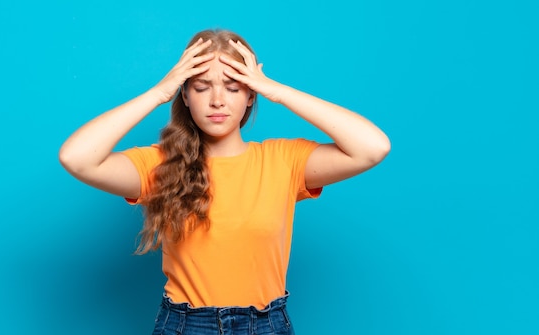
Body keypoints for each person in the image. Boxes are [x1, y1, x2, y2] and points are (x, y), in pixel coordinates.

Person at [59, 29, 390, 335]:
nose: (217, 100)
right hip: (186, 325)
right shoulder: (160, 164)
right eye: (201, 87)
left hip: (267, 324)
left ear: (250, 96)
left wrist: (278, 92)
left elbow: (372, 147)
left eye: (233, 87)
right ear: (185, 95)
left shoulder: (284, 160)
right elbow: (77, 157)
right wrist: (158, 93)